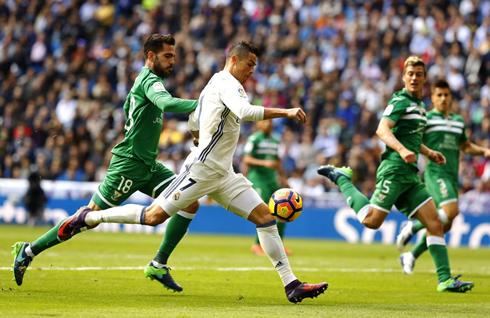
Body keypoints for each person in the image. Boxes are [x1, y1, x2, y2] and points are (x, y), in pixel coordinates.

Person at [55, 41, 328, 303]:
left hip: (223, 174)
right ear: (234, 60)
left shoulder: (213, 85)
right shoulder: (227, 84)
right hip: (202, 169)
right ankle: (90, 217)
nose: (252, 71)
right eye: (250, 64)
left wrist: (198, 136)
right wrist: (287, 112)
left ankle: (291, 284)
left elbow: (194, 118)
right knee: (153, 217)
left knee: (266, 218)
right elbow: (245, 112)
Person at [12, 34, 200, 292]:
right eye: (168, 56)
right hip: (129, 165)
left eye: (174, 57)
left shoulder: (147, 83)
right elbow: (166, 103)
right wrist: (205, 104)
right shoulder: (149, 81)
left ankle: (158, 264)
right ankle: (29, 250)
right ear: (150, 56)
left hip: (149, 166)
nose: (173, 62)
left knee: (190, 202)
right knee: (87, 218)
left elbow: (132, 111)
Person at [317, 56, 474, 293]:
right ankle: (342, 178)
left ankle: (445, 280)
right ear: (404, 77)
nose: (413, 78)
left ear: (424, 78)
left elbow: (411, 138)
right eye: (410, 74)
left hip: (410, 176)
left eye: (418, 74)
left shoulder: (420, 107)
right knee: (371, 221)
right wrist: (401, 150)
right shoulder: (400, 100)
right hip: (393, 169)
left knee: (435, 224)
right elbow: (382, 129)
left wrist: (429, 152)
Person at [396, 79, 490, 274]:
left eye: (446, 95)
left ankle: (411, 255)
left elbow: (465, 146)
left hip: (451, 176)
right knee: (452, 210)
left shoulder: (457, 121)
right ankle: (412, 228)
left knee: (444, 226)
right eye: (439, 95)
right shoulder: (427, 119)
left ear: (451, 97)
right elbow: (415, 141)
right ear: (433, 98)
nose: (443, 98)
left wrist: (483, 151)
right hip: (435, 173)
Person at [243, 120, 292, 256]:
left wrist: (284, 179)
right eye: (264, 121)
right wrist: (264, 162)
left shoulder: (275, 141)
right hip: (258, 179)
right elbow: (246, 159)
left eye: (269, 122)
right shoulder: (254, 138)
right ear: (258, 125)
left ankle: (279, 244)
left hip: (272, 179)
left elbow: (277, 162)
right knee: (264, 210)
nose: (267, 124)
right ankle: (258, 245)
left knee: (284, 210)